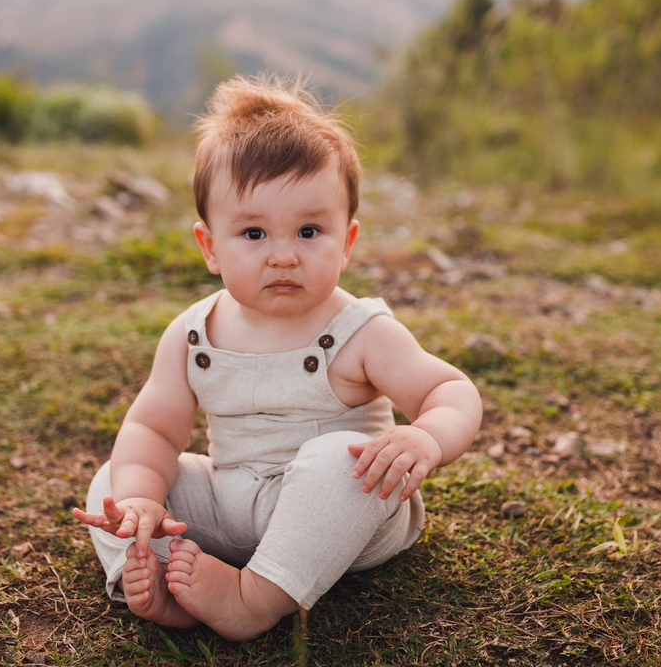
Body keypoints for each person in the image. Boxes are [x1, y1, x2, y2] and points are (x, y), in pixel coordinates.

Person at [73, 76, 482, 641]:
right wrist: (143, 498)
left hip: (343, 520)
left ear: (347, 242)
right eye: (255, 233)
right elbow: (153, 426)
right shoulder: (192, 334)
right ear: (211, 246)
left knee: (344, 458)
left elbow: (452, 392)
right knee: (115, 481)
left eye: (310, 231)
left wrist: (425, 439)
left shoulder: (359, 331)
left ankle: (254, 600)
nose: (284, 255)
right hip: (230, 502)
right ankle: (159, 577)